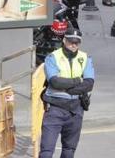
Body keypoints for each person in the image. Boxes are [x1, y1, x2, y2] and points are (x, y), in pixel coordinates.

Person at [39, 28, 94, 158]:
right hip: (55, 108)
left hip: (76, 109)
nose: (73, 45)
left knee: (69, 150)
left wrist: (69, 89)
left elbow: (89, 83)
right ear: (64, 40)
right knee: (46, 152)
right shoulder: (53, 57)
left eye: (77, 42)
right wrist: (77, 80)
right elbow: (55, 82)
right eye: (70, 41)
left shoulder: (85, 58)